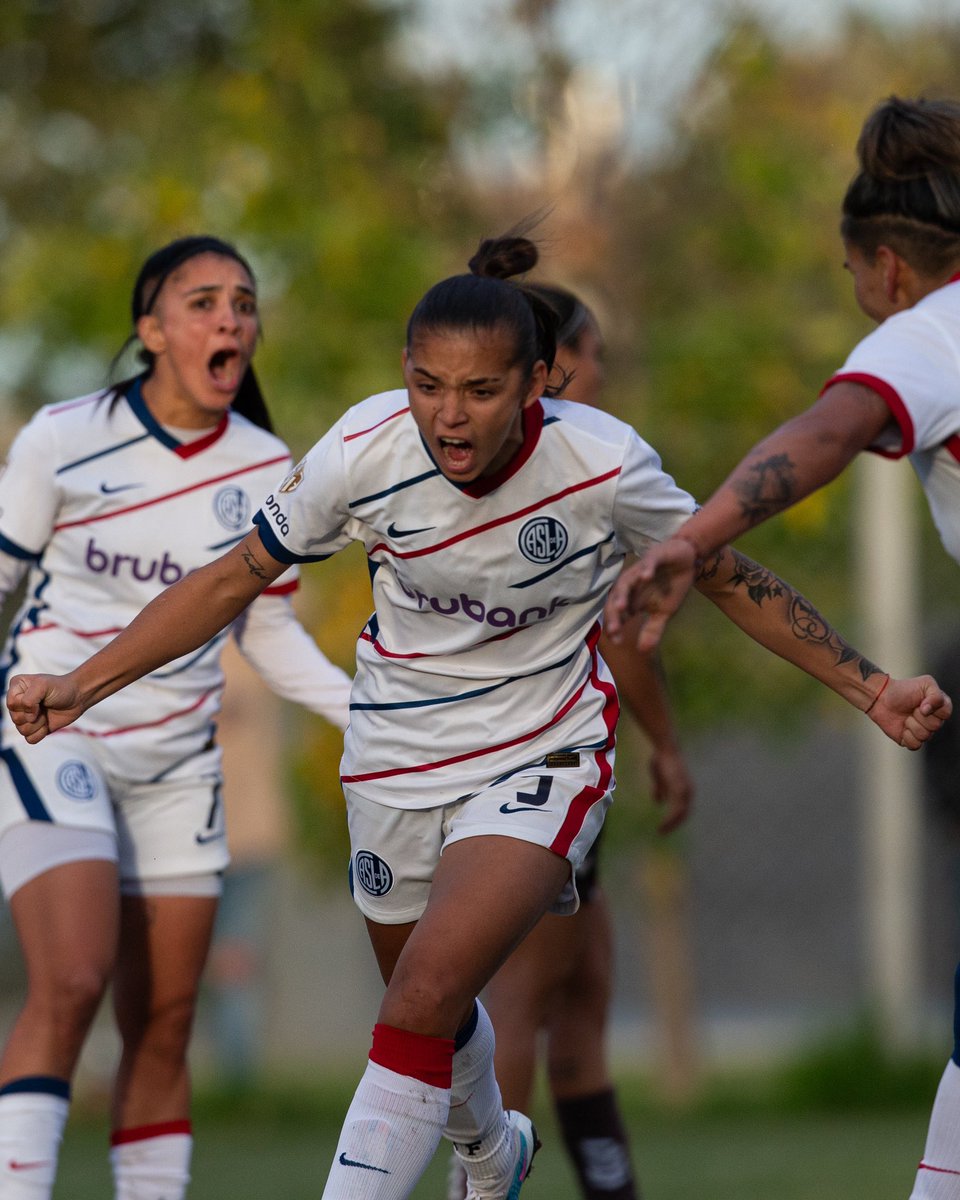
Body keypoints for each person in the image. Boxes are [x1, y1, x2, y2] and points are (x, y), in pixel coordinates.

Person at [4, 231, 949, 1200]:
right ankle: (494, 1154)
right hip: (392, 762)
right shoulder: (362, 451)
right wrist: (83, 683)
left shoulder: (603, 462)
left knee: (419, 997)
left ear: (538, 381)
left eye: (481, 392)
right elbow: (227, 584)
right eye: (427, 385)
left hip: (544, 757)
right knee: (430, 1014)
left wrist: (873, 688)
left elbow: (728, 576)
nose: (449, 418)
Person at [603, 94, 960, 1200]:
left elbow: (825, 434)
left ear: (887, 266)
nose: (857, 300)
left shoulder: (929, 330)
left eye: (854, 279)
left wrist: (692, 539)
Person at [0, 235, 352, 1200]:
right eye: (202, 301)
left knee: (163, 1020)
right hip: (52, 734)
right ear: (151, 330)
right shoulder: (62, 437)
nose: (230, 317)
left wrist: (366, 716)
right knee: (72, 979)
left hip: (177, 764)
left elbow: (267, 635)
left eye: (243, 301)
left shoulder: (269, 462)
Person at [444, 282, 694, 1200]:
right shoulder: (557, 471)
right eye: (590, 366)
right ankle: (481, 1186)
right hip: (516, 776)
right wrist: (667, 746)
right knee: (513, 1007)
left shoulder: (573, 466)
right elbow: (624, 637)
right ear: (549, 371)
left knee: (582, 1000)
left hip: (548, 769)